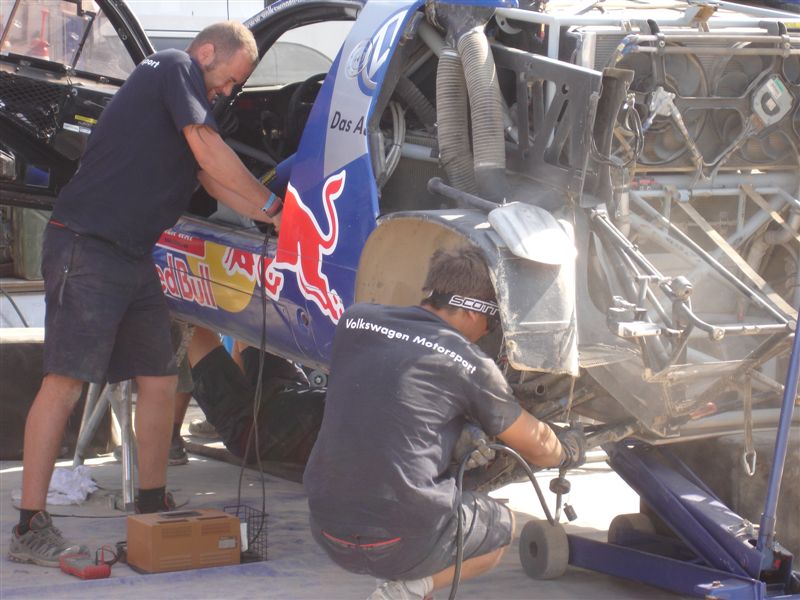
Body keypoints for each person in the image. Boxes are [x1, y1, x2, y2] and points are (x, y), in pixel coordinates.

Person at [10, 22, 283, 567]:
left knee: (158, 379)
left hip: (134, 256)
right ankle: (29, 526)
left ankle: (152, 505)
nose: (227, 92)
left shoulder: (189, 111)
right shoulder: (174, 66)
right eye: (229, 79)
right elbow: (209, 151)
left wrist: (273, 217)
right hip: (87, 245)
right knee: (64, 382)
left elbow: (212, 180)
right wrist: (273, 207)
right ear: (207, 51)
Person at [303, 247, 586, 600]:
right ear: (472, 311)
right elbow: (538, 448)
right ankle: (408, 590)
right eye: (493, 320)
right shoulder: (471, 364)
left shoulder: (355, 320)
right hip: (399, 542)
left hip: (327, 529)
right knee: (503, 524)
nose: (489, 332)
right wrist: (568, 450)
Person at [185, 327, 324, 466]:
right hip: (293, 391)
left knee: (191, 326)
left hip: (253, 427)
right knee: (251, 323)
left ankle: (174, 436)